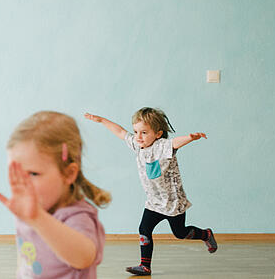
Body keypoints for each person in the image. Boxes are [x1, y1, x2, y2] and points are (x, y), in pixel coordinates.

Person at [84, 107, 216, 277]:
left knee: (180, 233)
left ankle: (206, 234)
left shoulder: (163, 146)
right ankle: (145, 266)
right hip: (154, 202)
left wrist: (191, 138)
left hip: (172, 202)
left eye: (144, 132)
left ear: (158, 134)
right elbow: (120, 131)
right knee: (144, 228)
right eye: (136, 131)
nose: (138, 136)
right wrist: (101, 120)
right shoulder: (138, 145)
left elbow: (175, 143)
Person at [0, 111, 110, 279]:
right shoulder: (30, 211)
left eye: (33, 174)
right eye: (16, 173)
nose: (24, 184)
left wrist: (38, 218)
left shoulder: (77, 216)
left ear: (68, 174)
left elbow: (84, 258)